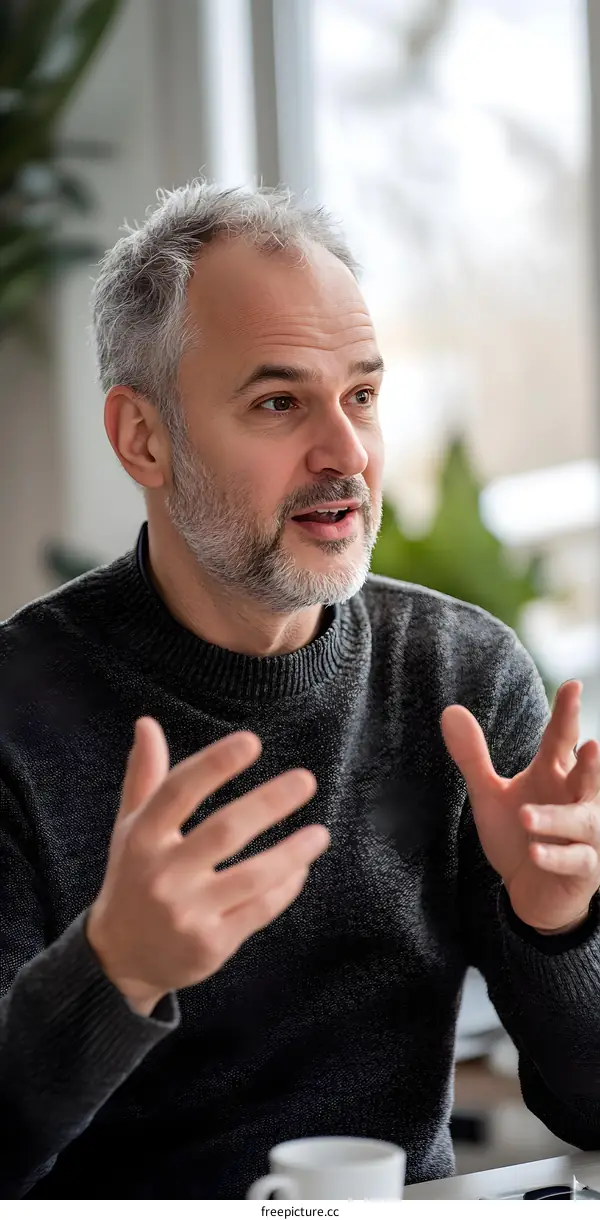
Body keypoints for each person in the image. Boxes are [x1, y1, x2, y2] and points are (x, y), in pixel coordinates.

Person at [1, 181, 599, 1201]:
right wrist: (115, 969)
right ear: (142, 437)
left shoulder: (458, 677)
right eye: (279, 402)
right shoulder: (17, 709)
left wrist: (558, 924)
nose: (346, 453)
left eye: (361, 394)